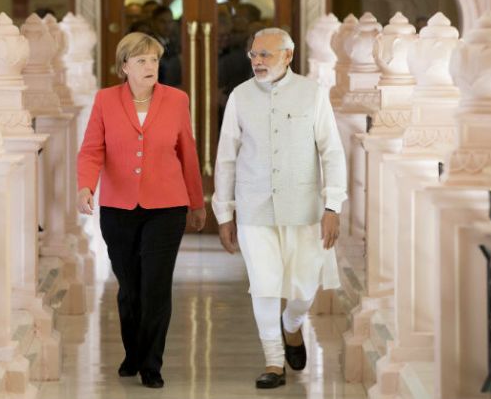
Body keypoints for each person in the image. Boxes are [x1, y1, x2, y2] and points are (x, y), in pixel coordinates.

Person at [211, 27, 347, 389]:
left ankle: (292, 325)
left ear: (288, 56)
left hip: (304, 207)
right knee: (264, 285)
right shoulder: (240, 96)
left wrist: (332, 205)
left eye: (266, 55)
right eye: (253, 55)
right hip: (255, 207)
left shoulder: (312, 94)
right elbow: (226, 158)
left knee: (304, 288)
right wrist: (224, 213)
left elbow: (331, 152)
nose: (257, 61)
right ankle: (273, 361)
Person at [76, 32, 206, 388]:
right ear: (124, 68)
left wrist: (197, 202)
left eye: (154, 60)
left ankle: (151, 363)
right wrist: (86, 185)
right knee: (130, 287)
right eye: (141, 61)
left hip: (166, 207)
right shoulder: (105, 100)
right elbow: (91, 149)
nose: (151, 67)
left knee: (156, 287)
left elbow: (187, 154)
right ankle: (133, 351)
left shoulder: (177, 100)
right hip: (118, 207)